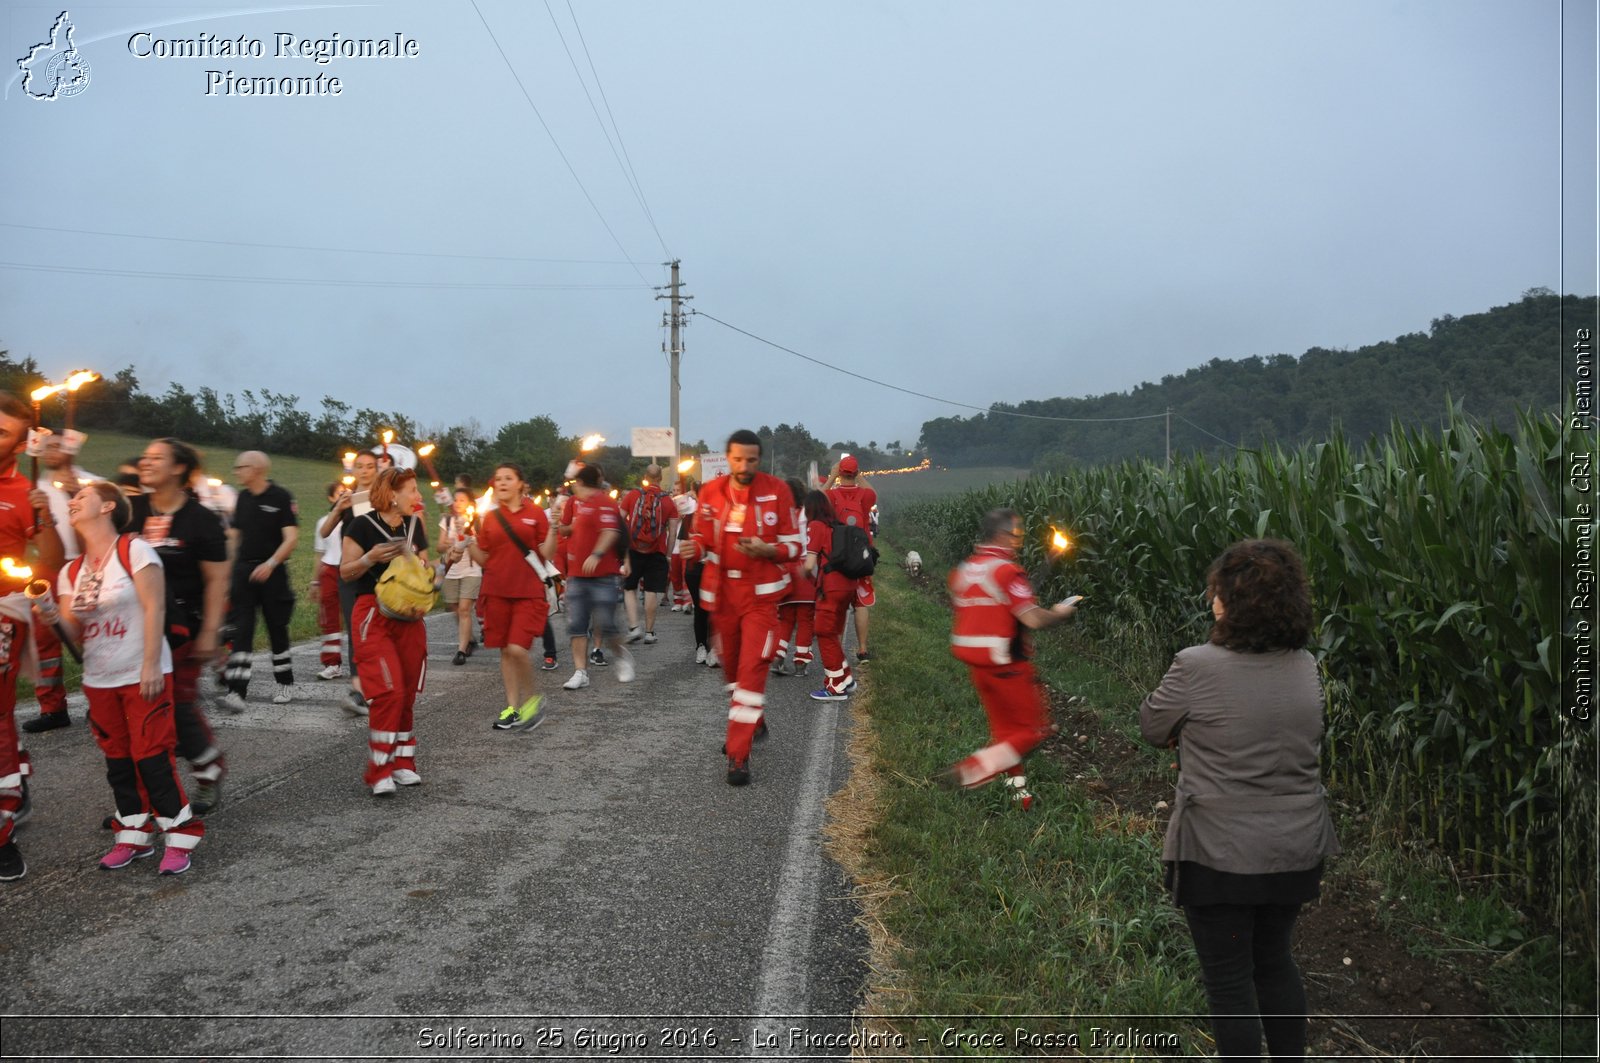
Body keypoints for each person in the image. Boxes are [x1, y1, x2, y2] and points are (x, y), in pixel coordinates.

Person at [1139, 539, 1339, 1060]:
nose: (1211, 601)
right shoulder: (1306, 666)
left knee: (1230, 987)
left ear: (1234, 602)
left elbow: (1152, 725)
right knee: (1274, 963)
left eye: (1217, 592)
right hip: (1295, 850)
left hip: (1220, 854)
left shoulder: (1195, 665)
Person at [55, 481, 204, 874]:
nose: (72, 502)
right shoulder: (71, 571)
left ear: (107, 507)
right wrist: (50, 615)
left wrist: (152, 663)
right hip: (99, 678)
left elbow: (154, 608)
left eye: (81, 497)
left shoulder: (134, 550)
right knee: (118, 761)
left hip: (143, 672)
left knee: (153, 756)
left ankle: (180, 836)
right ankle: (133, 836)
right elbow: (74, 633)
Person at [686, 430, 803, 786]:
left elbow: (795, 546)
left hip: (761, 598)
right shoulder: (711, 492)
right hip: (722, 596)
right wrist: (695, 548)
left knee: (751, 673)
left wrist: (768, 551)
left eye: (751, 460)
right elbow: (702, 537)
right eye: (738, 459)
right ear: (728, 458)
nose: (744, 466)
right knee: (733, 674)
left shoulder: (777, 491)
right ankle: (754, 719)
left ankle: (738, 756)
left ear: (758, 459)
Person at [942, 508, 1079, 809]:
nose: (1019, 541)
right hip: (1008, 665)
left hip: (978, 666)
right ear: (1003, 534)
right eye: (1017, 535)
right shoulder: (1006, 571)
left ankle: (1020, 795)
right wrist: (1059, 613)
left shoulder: (966, 569)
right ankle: (973, 769)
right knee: (1033, 730)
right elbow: (1032, 620)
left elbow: (980, 606)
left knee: (1005, 732)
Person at [130, 439, 230, 815]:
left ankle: (208, 767)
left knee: (174, 706)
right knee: (137, 711)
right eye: (145, 456)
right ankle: (143, 800)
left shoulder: (201, 520)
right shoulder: (131, 510)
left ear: (178, 469)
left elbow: (217, 580)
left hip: (182, 628)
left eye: (156, 458)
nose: (146, 462)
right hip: (131, 628)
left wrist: (210, 632)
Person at [0, 392, 67, 883]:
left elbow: (49, 558)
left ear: (23, 442)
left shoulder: (25, 491)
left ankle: (2, 833)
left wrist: (42, 516)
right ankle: (18, 776)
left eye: (3, 432)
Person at [339, 467, 431, 796]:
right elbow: (346, 572)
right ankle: (379, 770)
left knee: (406, 694)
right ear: (392, 494)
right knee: (387, 691)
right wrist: (369, 558)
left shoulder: (414, 526)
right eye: (412, 490)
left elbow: (425, 567)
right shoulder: (361, 525)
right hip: (372, 615)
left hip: (409, 616)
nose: (418, 497)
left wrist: (426, 571)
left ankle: (404, 764)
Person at [467, 464, 557, 731]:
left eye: (508, 478)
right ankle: (512, 708)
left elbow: (547, 553)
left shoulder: (536, 513)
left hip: (527, 592)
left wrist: (553, 529)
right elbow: (484, 557)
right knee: (506, 651)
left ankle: (533, 700)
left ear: (520, 484)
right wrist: (467, 540)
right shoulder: (491, 518)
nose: (502, 483)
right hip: (496, 591)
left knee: (517, 648)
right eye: (498, 479)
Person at [19, 434, 94, 733]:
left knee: (90, 634)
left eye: (58, 445)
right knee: (43, 638)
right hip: (47, 569)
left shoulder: (91, 482)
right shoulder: (34, 487)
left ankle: (100, 701)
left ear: (72, 447)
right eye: (46, 445)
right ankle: (52, 709)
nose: (51, 450)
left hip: (85, 565)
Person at [219, 451, 298, 711]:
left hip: (272, 573)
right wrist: (228, 571)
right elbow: (235, 537)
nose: (236, 471)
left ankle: (284, 681)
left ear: (256, 469)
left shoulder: (281, 497)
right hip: (244, 573)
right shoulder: (242, 498)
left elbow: (291, 538)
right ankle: (236, 691)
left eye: (240, 467)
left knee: (277, 628)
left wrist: (271, 564)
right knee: (242, 630)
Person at [556, 465, 632, 690]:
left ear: (580, 483)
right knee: (577, 624)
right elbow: (564, 530)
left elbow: (611, 532)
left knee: (606, 624)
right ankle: (581, 672)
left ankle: (621, 656)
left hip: (603, 575)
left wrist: (597, 554)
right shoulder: (576, 503)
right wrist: (561, 524)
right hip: (576, 575)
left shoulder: (605, 502)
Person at [318, 450, 381, 716]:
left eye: (370, 466)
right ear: (353, 470)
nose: (365, 471)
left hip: (379, 574)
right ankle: (360, 692)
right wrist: (340, 509)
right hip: (350, 573)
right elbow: (324, 531)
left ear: (377, 470)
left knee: (377, 632)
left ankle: (378, 686)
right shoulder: (348, 498)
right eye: (360, 466)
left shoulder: (383, 497)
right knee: (356, 634)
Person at [802, 491, 855, 700]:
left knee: (823, 631)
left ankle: (835, 686)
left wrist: (804, 575)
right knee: (832, 631)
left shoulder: (815, 526)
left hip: (830, 586)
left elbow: (809, 564)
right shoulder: (838, 526)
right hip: (847, 586)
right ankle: (845, 677)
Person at [827, 455, 878, 662]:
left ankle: (837, 649)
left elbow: (816, 499)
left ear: (840, 473)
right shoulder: (865, 496)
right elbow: (874, 493)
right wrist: (861, 476)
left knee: (838, 602)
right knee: (860, 602)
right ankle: (862, 649)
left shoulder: (832, 496)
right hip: (862, 555)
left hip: (837, 554)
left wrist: (831, 477)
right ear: (856, 473)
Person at [619, 464, 672, 645]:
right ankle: (649, 632)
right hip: (657, 551)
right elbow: (672, 532)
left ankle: (634, 627)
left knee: (629, 588)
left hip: (633, 549)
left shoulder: (632, 496)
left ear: (645, 477)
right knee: (651, 591)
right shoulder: (667, 501)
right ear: (660, 478)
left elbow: (619, 521)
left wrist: (623, 548)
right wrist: (669, 554)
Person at [772, 478, 816, 677]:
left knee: (785, 618)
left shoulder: (780, 515)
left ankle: (779, 655)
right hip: (806, 568)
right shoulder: (809, 513)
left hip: (786, 568)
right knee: (805, 619)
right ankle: (800, 661)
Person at [438, 488, 483, 666]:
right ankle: (470, 639)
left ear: (470, 504)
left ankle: (461, 650)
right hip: (451, 570)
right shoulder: (447, 520)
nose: (457, 503)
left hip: (471, 570)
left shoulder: (476, 521)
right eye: (455, 500)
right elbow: (439, 547)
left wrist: (468, 535)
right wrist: (450, 541)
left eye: (462, 500)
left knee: (464, 609)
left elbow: (483, 546)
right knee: (454, 607)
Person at [310, 482, 347, 681]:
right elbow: (319, 554)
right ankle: (333, 663)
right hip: (329, 570)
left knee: (354, 617)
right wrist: (315, 582)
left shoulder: (354, 520)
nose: (344, 495)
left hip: (349, 569)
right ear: (331, 498)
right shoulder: (323, 522)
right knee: (329, 618)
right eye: (340, 493)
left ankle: (364, 662)